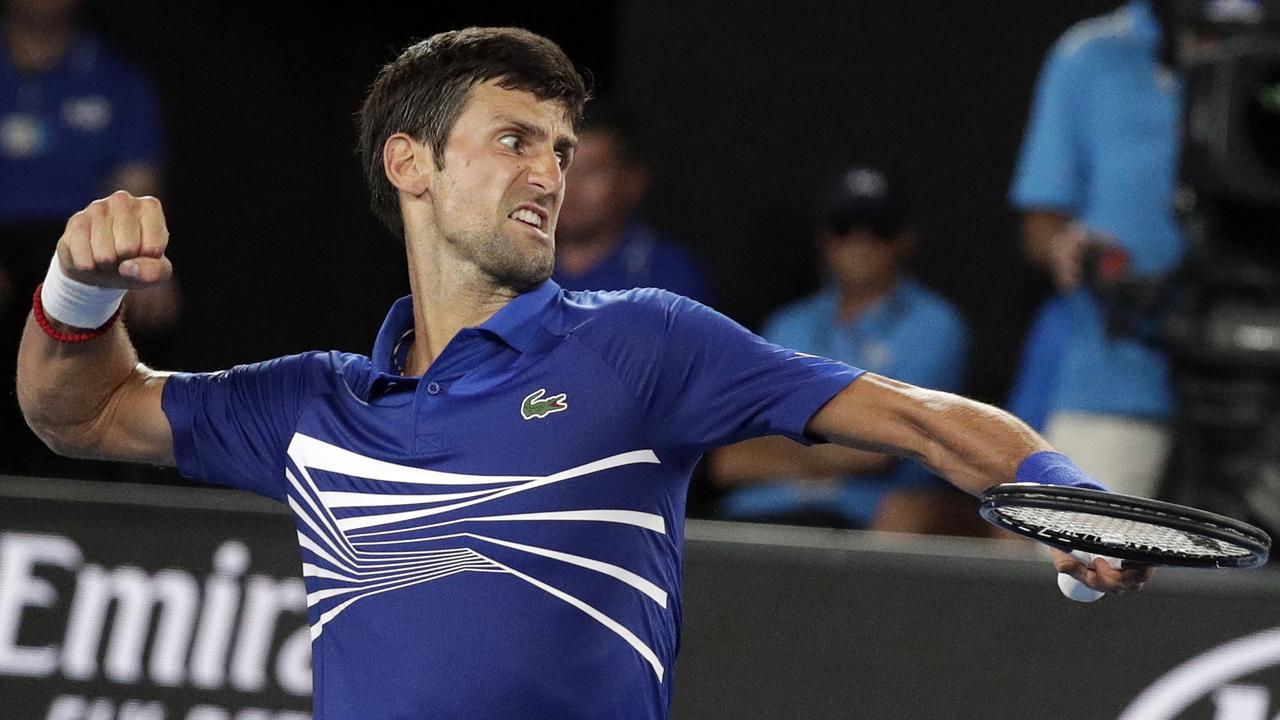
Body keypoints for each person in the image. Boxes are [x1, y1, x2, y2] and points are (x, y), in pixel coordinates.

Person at [16, 27, 1150, 720]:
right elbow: (84, 413)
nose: (550, 173)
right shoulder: (314, 407)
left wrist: (1064, 498)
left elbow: (920, 418)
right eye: (515, 139)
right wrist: (79, 286)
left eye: (561, 149)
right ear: (409, 163)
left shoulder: (639, 343)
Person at [711, 166, 975, 533]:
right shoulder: (788, 324)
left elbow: (880, 449)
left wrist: (786, 444)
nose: (860, 242)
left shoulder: (934, 324)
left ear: (907, 238)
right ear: (824, 238)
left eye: (879, 229)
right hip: (764, 515)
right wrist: (835, 449)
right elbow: (730, 459)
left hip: (863, 520)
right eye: (844, 227)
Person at [1009, 0, 1181, 497]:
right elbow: (1042, 221)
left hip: (1263, 385)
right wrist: (1067, 246)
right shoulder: (1089, 54)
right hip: (1116, 378)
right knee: (1082, 571)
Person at [1, 0, 177, 477]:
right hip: (6, 252)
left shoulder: (119, 81)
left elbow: (138, 195)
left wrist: (142, 260)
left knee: (140, 281)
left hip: (82, 253)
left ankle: (105, 505)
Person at [552, 105, 711, 303]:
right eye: (561, 166)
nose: (569, 187)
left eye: (591, 172)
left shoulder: (667, 278)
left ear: (633, 182)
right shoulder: (516, 262)